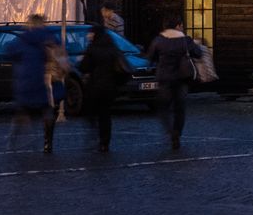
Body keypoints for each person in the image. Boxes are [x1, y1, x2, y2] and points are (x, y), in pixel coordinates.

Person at [145, 17, 203, 150]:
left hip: (165, 77)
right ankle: (177, 132)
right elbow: (198, 53)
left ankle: (170, 131)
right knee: (180, 108)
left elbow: (150, 57)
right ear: (178, 26)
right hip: (182, 77)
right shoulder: (185, 40)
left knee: (163, 107)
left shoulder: (159, 40)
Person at [8, 14, 63, 154]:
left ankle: (15, 139)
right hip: (46, 80)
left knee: (23, 109)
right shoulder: (50, 36)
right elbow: (61, 52)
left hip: (26, 81)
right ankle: (47, 143)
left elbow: (10, 51)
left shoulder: (23, 38)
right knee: (48, 111)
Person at [78, 17, 131, 153]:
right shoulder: (112, 47)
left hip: (95, 86)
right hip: (110, 86)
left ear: (95, 34)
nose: (89, 35)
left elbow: (84, 67)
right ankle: (105, 142)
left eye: (90, 33)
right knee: (105, 115)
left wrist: (81, 61)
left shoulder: (93, 48)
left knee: (90, 111)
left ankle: (95, 133)